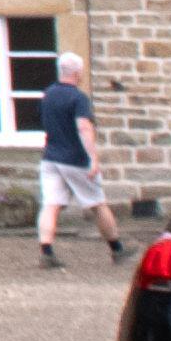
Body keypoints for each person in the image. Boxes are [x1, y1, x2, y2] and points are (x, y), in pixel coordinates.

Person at [34, 54, 121, 265]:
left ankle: (46, 252)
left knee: (51, 205)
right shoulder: (78, 98)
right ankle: (117, 249)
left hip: (50, 158)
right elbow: (84, 127)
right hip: (74, 159)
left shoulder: (47, 95)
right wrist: (93, 158)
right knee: (98, 204)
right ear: (77, 73)